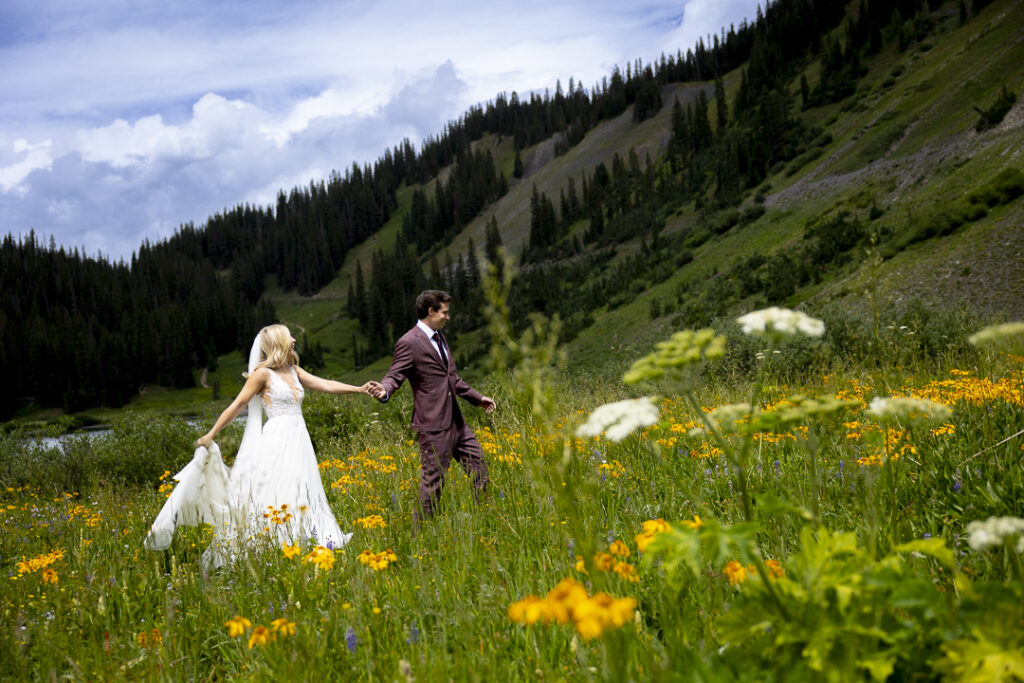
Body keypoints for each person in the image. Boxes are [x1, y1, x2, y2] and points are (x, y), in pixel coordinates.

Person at [145, 324, 381, 569]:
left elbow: (326, 384)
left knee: (302, 487)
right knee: (277, 490)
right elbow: (238, 406)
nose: (293, 340)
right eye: (289, 336)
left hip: (298, 440)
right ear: (278, 342)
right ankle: (268, 544)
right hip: (276, 440)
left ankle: (306, 537)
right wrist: (211, 434)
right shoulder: (262, 375)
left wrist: (359, 389)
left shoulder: (294, 370)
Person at [370, 290, 496, 520]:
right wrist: (384, 390)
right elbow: (395, 375)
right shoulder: (409, 342)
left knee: (479, 467)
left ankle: (487, 518)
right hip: (433, 426)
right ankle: (422, 536)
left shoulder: (439, 337)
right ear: (431, 311)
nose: (447, 317)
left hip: (457, 422)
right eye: (444, 312)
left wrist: (477, 398)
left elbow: (451, 378)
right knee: (433, 484)